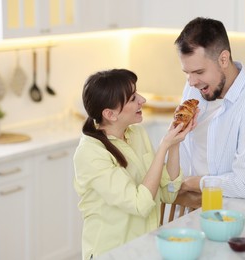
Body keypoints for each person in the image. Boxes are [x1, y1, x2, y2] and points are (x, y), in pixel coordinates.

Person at [73, 69, 194, 260]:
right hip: (113, 253)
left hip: (146, 249)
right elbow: (141, 205)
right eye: (132, 98)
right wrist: (164, 146)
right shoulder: (91, 153)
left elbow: (168, 192)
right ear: (110, 114)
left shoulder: (137, 134)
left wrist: (174, 145)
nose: (142, 100)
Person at [175, 17, 245, 199]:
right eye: (187, 73)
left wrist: (195, 183)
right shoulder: (194, 88)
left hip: (237, 214)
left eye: (199, 72)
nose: (192, 82)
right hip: (191, 210)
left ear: (224, 59)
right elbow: (184, 149)